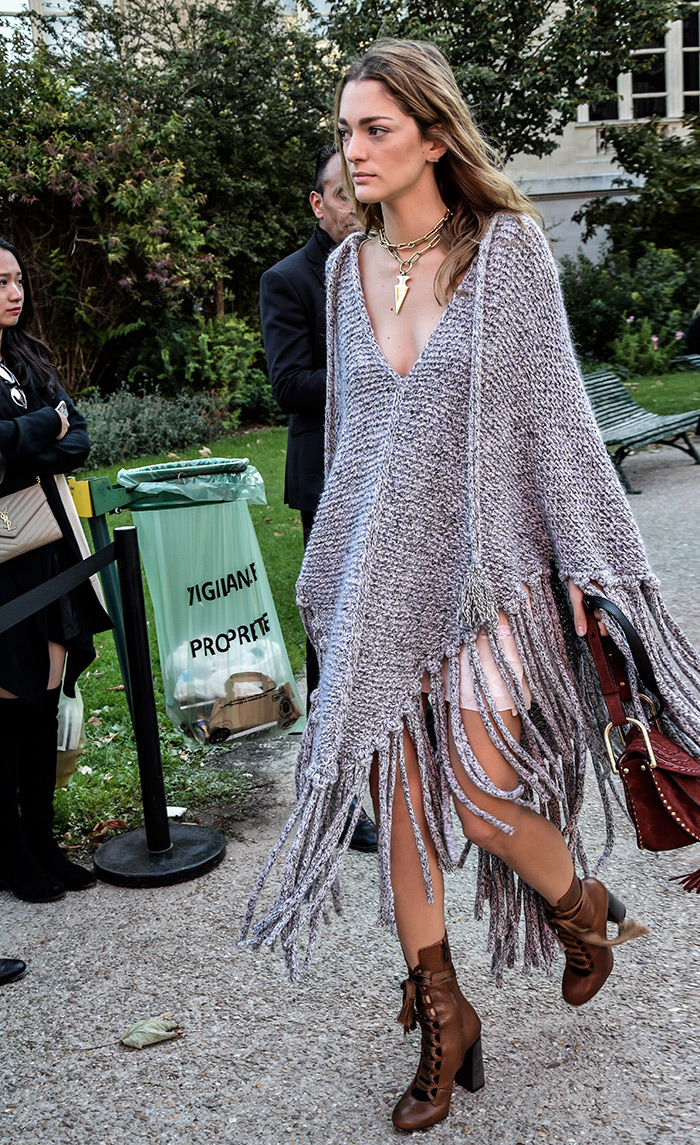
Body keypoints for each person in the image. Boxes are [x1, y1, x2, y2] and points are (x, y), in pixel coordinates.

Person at [241, 41, 700, 1131]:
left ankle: (579, 906)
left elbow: (557, 430)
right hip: (380, 584)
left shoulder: (509, 256)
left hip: (487, 584)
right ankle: (444, 1011)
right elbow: (354, 441)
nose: (352, 151)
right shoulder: (345, 273)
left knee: (485, 796)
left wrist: (594, 568)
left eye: (374, 130)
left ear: (434, 137)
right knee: (398, 802)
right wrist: (337, 570)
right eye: (345, 131)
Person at [260, 146, 377, 853]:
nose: (353, 210)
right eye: (341, 197)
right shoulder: (288, 279)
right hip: (327, 479)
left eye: (359, 197)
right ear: (317, 203)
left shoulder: (385, 266)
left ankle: (397, 773)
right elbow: (288, 386)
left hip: (388, 472)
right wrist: (375, 366)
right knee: (332, 642)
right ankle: (331, 799)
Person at [0, 237, 111, 904]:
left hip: (44, 547)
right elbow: (42, 434)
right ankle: (11, 852)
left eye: (16, 279)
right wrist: (45, 426)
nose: (13, 292)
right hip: (1, 558)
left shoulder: (27, 357)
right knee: (7, 702)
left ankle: (42, 840)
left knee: (43, 694)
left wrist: (32, 436)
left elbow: (82, 437)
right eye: (0, 282)